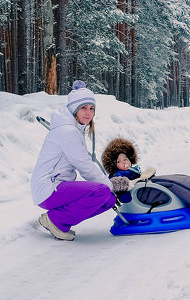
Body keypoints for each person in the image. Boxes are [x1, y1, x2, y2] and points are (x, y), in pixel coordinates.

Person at [30, 80, 130, 240]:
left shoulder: (74, 129)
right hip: (48, 188)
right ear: (73, 109)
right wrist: (110, 184)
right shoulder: (67, 131)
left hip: (59, 186)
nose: (88, 113)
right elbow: (84, 165)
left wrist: (107, 186)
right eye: (83, 108)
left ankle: (57, 218)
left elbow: (85, 165)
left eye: (92, 108)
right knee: (102, 192)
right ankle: (56, 220)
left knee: (109, 199)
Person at [100, 137, 157, 204]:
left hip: (145, 190)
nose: (124, 162)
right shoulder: (118, 175)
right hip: (138, 198)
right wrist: (124, 189)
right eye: (119, 161)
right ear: (114, 165)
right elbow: (119, 186)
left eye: (125, 159)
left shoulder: (134, 170)